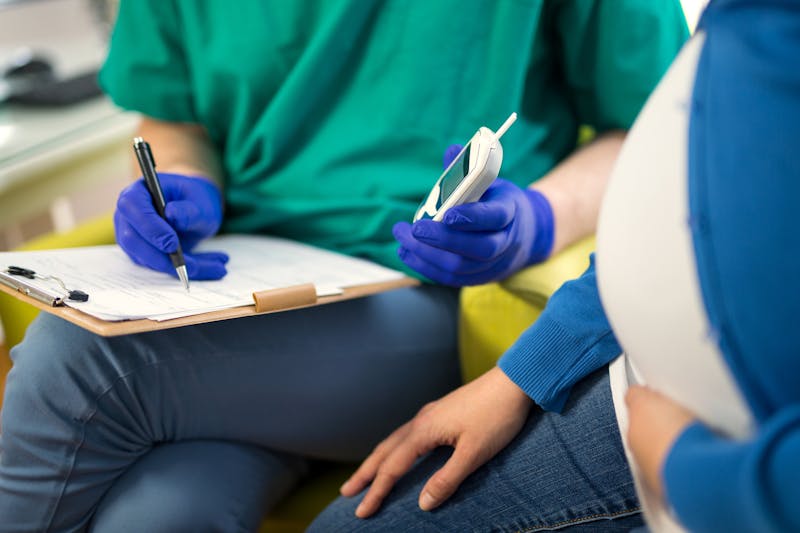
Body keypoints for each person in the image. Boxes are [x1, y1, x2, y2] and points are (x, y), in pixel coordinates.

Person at [0, 1, 687, 531]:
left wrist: (539, 219)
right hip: (236, 288)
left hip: (424, 295)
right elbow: (173, 117)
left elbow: (656, 127)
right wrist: (181, 181)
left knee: (81, 356)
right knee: (163, 514)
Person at [309, 0, 800, 531]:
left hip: (718, 448)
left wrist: (688, 468)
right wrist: (519, 375)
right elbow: (684, 211)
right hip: (644, 387)